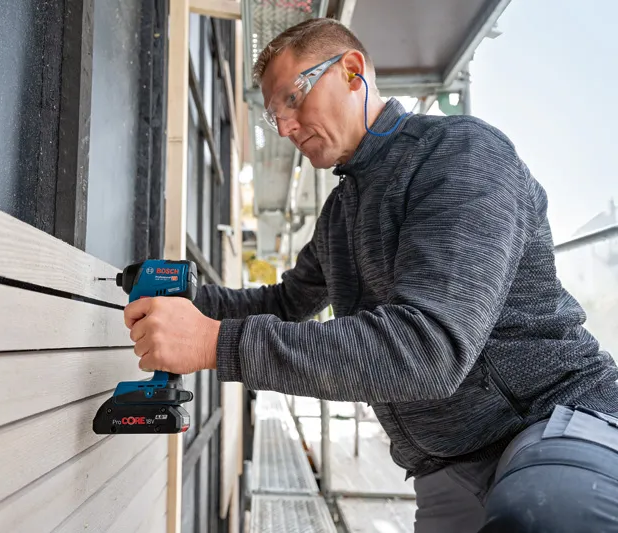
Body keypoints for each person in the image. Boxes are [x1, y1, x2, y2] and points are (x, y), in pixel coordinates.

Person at [123, 17, 618, 532]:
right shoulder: (341, 213)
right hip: (443, 465)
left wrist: (216, 343)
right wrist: (184, 302)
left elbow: (430, 350)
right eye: (275, 118)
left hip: (551, 422)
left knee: (548, 513)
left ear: (352, 71)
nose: (287, 127)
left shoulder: (461, 157)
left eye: (293, 99)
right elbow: (287, 302)